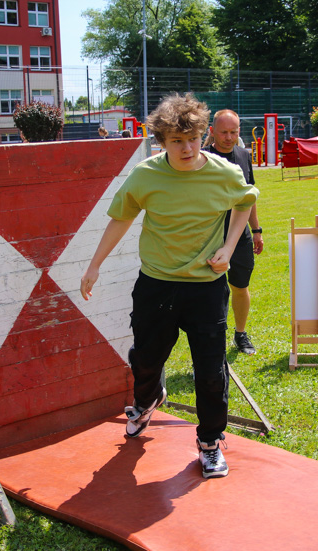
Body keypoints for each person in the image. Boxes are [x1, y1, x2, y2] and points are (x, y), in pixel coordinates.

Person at [80, 93, 258, 479]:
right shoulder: (146, 175)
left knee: (210, 370)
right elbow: (120, 219)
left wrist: (228, 247)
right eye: (176, 141)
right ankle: (147, 401)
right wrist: (93, 266)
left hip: (206, 288)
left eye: (193, 138)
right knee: (145, 359)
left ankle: (210, 442)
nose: (187, 148)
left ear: (202, 134)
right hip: (156, 285)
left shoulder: (224, 171)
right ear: (161, 142)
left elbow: (245, 201)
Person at [204, 109, 264, 355]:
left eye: (234, 132)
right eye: (223, 132)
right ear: (212, 132)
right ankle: (210, 340)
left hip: (240, 238)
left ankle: (240, 334)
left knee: (240, 286)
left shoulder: (243, 155)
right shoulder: (202, 158)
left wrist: (256, 230)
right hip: (210, 237)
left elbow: (249, 196)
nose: (229, 137)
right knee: (210, 292)